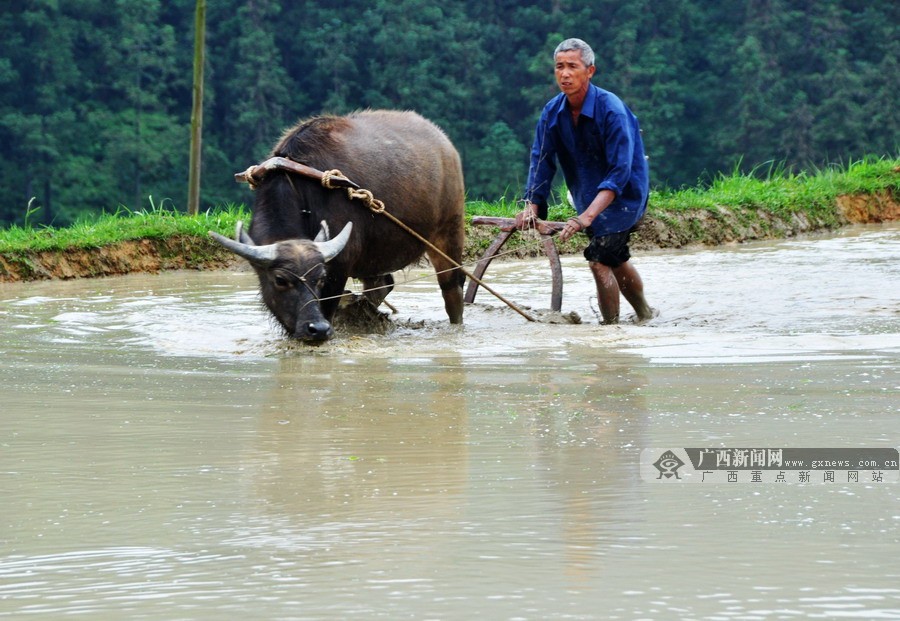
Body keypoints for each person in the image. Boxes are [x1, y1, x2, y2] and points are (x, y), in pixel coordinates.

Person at [516, 38, 655, 324]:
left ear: (589, 71)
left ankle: (609, 331)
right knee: (615, 256)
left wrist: (584, 218)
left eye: (572, 67)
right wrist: (532, 206)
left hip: (624, 197)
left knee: (600, 258)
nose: (565, 74)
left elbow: (620, 173)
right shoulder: (552, 112)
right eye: (559, 67)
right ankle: (644, 314)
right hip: (586, 193)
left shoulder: (611, 110)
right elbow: (541, 160)